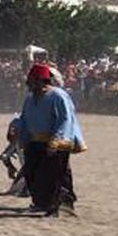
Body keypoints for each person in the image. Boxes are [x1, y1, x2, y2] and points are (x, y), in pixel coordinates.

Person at [11, 62, 83, 216]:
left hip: (56, 143)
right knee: (32, 173)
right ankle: (40, 203)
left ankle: (59, 205)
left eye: (32, 81)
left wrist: (56, 141)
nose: (29, 85)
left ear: (41, 81)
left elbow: (65, 119)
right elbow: (24, 118)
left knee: (53, 175)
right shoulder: (30, 98)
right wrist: (17, 129)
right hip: (35, 141)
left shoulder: (58, 96)